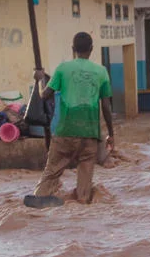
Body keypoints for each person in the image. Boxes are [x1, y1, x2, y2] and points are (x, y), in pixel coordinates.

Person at [25, 31, 114, 207]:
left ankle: (40, 200)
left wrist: (39, 80)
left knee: (51, 173)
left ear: (73, 49)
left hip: (64, 131)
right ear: (91, 49)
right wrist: (111, 134)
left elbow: (45, 96)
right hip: (90, 134)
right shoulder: (101, 72)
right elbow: (106, 107)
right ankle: (81, 202)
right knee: (85, 181)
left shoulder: (62, 69)